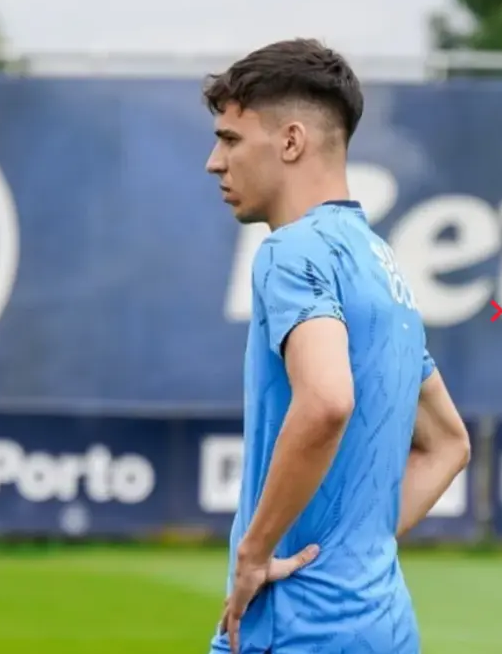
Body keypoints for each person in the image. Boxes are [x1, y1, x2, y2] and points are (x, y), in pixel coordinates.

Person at [202, 39, 472, 654]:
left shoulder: (290, 251)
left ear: (291, 141)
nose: (214, 162)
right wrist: (357, 548)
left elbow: (325, 401)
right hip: (384, 621)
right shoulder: (382, 263)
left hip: (297, 626)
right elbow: (448, 443)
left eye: (231, 139)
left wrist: (253, 554)